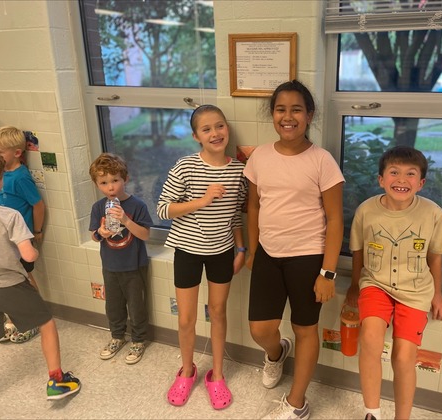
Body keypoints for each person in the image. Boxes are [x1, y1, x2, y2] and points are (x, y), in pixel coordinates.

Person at [244, 80, 345, 420]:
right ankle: (276, 354)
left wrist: (327, 273)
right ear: (273, 114)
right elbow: (254, 207)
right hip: (269, 255)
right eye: (281, 109)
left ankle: (297, 403)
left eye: (296, 109)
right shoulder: (260, 156)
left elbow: (335, 220)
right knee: (260, 329)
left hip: (308, 257)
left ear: (309, 115)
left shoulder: (322, 161)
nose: (288, 117)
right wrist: (254, 248)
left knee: (305, 330)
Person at [345, 146, 442, 420]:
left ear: (421, 183)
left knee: (404, 357)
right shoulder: (366, 211)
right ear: (381, 179)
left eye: (410, 174)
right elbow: (358, 252)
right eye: (394, 172)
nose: (401, 180)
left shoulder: (433, 213)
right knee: (369, 338)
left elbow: (435, 257)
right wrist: (354, 286)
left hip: (416, 292)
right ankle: (372, 412)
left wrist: (438, 294)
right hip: (375, 284)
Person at [157, 105, 247, 410]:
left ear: (227, 129)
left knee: (218, 313)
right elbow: (163, 209)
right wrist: (203, 199)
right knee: (186, 319)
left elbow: (235, 214)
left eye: (219, 126)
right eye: (206, 129)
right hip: (187, 251)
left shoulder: (237, 171)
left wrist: (241, 248)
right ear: (196, 136)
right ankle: (186, 371)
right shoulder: (184, 167)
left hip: (222, 252)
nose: (215, 133)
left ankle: (217, 375)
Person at [0, 155, 81, 400]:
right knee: (46, 323)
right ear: (0, 180)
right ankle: (57, 382)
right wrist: (31, 248)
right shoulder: (9, 216)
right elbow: (29, 255)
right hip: (9, 284)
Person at [89, 153, 153, 365]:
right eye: (104, 182)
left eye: (115, 180)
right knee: (113, 305)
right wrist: (102, 232)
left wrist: (125, 219)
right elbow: (94, 235)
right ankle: (117, 336)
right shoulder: (98, 207)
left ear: (125, 179)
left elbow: (145, 234)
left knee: (136, 305)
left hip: (133, 265)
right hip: (110, 265)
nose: (110, 187)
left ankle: (138, 339)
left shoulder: (137, 205)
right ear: (97, 184)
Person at [0, 125, 46, 343]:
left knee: (25, 279)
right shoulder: (2, 175)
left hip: (20, 241)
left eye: (0, 152)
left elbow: (38, 205)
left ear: (17, 153)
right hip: (5, 242)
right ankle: (13, 321)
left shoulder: (20, 177)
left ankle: (34, 320)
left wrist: (36, 231)